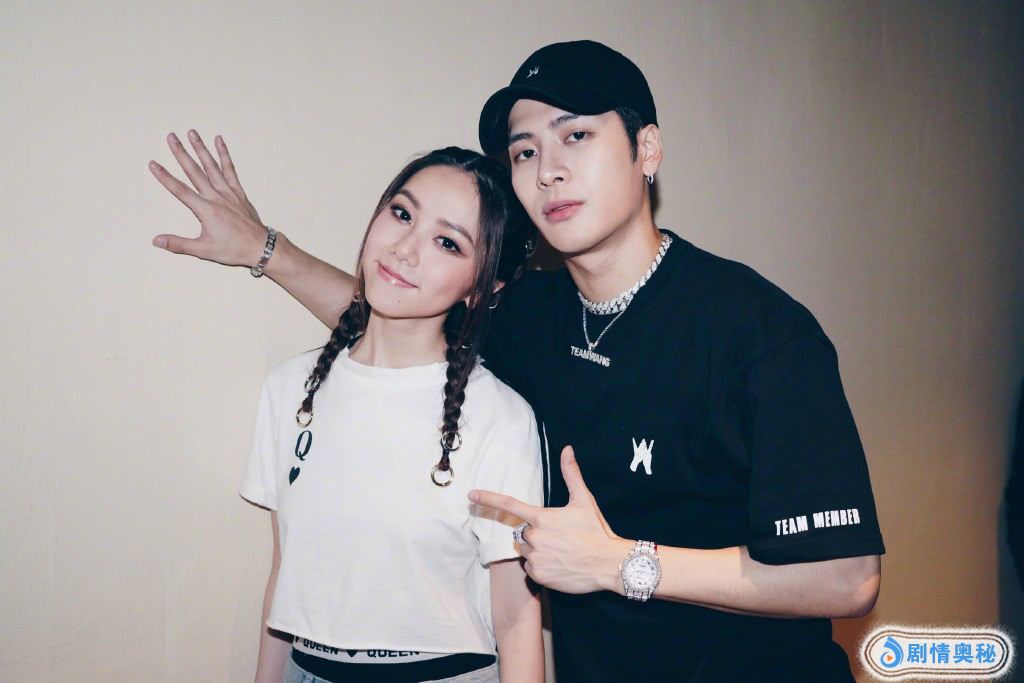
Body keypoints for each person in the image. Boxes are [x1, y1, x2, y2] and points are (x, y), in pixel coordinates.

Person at [149, 40, 887, 682]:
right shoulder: (533, 313)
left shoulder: (757, 332)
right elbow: (399, 313)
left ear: (647, 150)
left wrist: (620, 562)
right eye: (526, 150)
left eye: (576, 137)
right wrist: (265, 251)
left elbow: (846, 577)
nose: (547, 171)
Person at [151, 145, 546, 682]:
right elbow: (286, 575)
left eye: (447, 242)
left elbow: (516, 616)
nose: (405, 249)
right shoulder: (291, 387)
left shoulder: (501, 418)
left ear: (483, 287)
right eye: (402, 213)